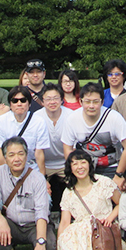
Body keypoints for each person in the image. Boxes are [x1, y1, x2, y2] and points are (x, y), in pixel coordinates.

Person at [0, 137, 56, 250]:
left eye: (21, 154)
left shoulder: (37, 178)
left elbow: (42, 212)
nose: (17, 159)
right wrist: (2, 220)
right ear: (5, 158)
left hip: (33, 225)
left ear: (26, 156)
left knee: (49, 248)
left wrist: (41, 242)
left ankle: (36, 246)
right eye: (11, 155)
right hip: (12, 223)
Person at [53, 150, 123, 250]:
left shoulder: (103, 182)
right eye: (75, 164)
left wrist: (110, 218)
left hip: (103, 228)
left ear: (89, 165)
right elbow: (64, 222)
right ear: (70, 168)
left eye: (83, 163)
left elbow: (121, 203)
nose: (79, 167)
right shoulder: (69, 191)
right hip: (79, 232)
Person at [61, 82, 126, 189]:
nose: (91, 106)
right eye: (87, 101)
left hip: (112, 165)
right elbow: (67, 147)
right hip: (85, 166)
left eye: (96, 102)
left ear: (102, 102)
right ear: (81, 101)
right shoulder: (72, 119)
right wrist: (76, 170)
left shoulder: (114, 117)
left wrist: (119, 174)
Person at [35, 84, 73, 223]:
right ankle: (42, 220)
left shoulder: (71, 116)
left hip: (65, 161)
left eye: (56, 98)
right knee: (39, 189)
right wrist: (42, 176)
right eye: (48, 99)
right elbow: (37, 151)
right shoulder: (36, 118)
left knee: (76, 186)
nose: (52, 102)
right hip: (44, 163)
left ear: (62, 100)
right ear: (42, 101)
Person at [0, 86, 50, 172]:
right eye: (15, 101)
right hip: (10, 169)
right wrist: (4, 176)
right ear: (10, 104)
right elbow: (2, 153)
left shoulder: (39, 121)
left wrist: (42, 177)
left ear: (29, 103)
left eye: (23, 100)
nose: (19, 104)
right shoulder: (1, 121)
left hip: (32, 168)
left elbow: (39, 153)